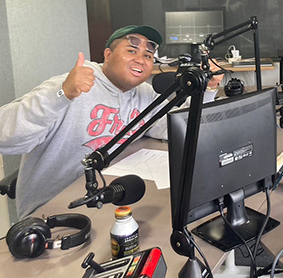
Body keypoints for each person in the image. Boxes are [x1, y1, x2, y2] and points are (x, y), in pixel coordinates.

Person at [0, 25, 223, 219]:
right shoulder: (69, 85)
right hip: (51, 211)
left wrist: (208, 89)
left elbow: (176, 127)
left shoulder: (143, 94)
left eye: (148, 55)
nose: (140, 59)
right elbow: (5, 137)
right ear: (107, 54)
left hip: (107, 200)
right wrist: (62, 94)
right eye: (131, 50)